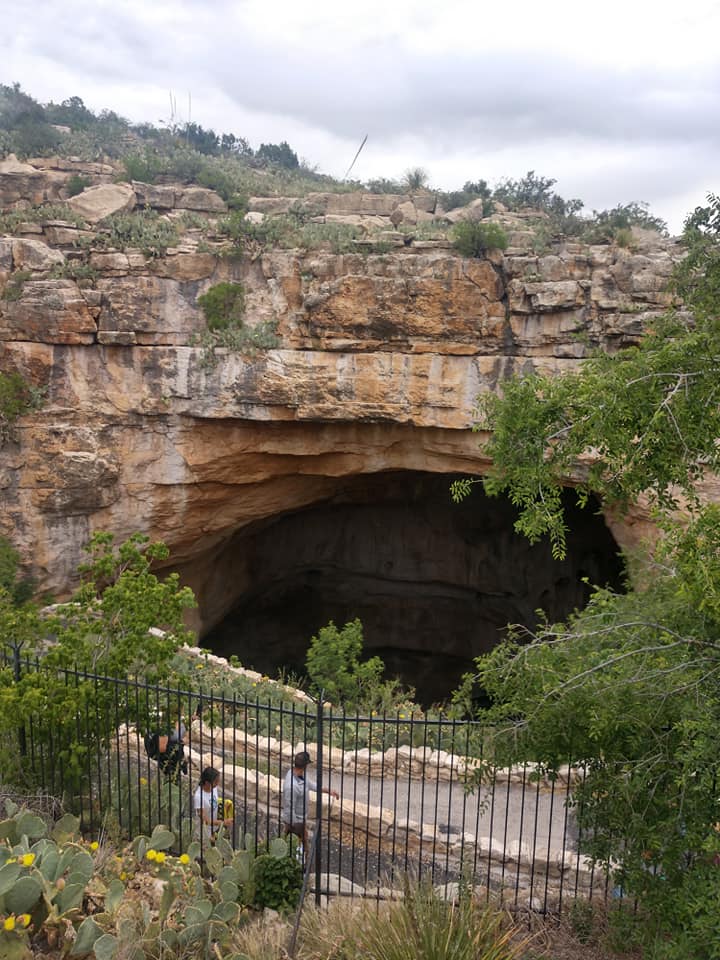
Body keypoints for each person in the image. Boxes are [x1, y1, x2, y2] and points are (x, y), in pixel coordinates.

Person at [281, 750, 339, 857]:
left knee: (293, 845)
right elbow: (289, 809)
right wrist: (298, 827)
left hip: (300, 819)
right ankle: (301, 866)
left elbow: (311, 785)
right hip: (295, 822)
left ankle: (301, 862)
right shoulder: (291, 786)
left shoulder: (300, 774)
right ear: (305, 765)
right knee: (297, 847)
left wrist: (329, 791)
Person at [193, 766, 233, 844]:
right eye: (216, 781)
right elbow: (205, 821)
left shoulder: (213, 788)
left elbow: (213, 801)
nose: (217, 784)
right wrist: (223, 822)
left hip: (216, 829)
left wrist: (224, 804)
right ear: (207, 782)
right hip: (204, 834)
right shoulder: (199, 797)